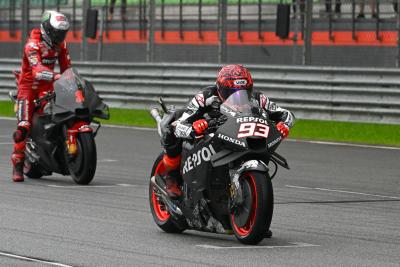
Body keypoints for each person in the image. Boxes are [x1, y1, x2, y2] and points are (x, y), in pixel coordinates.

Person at [161, 64, 295, 198]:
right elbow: (179, 124)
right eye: (230, 92)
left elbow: (286, 114)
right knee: (171, 128)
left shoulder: (258, 98)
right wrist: (193, 128)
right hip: (208, 136)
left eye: (244, 91)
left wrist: (284, 125)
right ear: (219, 88)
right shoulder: (205, 97)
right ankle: (171, 177)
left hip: (240, 136)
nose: (237, 96)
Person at [11, 10, 71, 182]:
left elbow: (66, 68)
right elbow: (37, 71)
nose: (60, 36)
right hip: (28, 88)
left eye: (62, 33)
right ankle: (18, 165)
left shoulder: (61, 45)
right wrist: (57, 77)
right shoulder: (32, 45)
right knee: (23, 127)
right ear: (46, 29)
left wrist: (71, 81)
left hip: (49, 86)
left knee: (64, 110)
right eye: (57, 32)